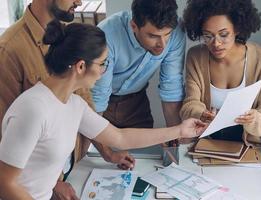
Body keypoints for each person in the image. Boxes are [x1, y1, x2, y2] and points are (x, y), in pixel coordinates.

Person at [0, 20, 206, 200]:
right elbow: (5, 183)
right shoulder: (33, 108)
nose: (105, 70)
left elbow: (119, 138)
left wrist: (180, 130)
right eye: (102, 63)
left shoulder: (74, 104)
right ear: (81, 66)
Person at [0, 0, 134, 199]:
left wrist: (107, 152)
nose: (79, 2)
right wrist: (56, 183)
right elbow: (8, 138)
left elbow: (82, 108)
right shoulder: (10, 49)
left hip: (73, 168)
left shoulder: (68, 37)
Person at [91, 0, 186, 159]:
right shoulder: (106, 35)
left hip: (136, 103)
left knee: (144, 162)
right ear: (133, 26)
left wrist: (176, 137)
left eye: (166, 34)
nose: (162, 44)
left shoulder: (176, 33)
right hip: (98, 107)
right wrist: (107, 153)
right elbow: (97, 99)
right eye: (153, 36)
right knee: (93, 161)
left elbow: (172, 89)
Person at [180, 0, 261, 145]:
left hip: (248, 147)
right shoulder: (196, 56)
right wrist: (201, 113)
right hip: (205, 143)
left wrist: (253, 118)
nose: (216, 43)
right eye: (208, 36)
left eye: (223, 35)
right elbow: (188, 106)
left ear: (237, 29)